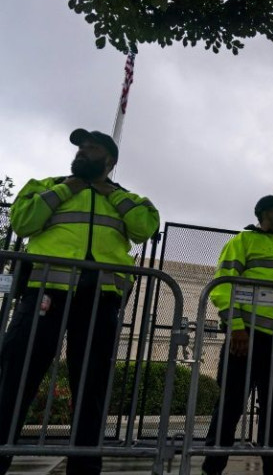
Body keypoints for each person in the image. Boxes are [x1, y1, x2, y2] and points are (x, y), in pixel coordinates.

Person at [0, 128, 159, 475]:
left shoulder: (127, 199)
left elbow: (144, 229)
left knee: (92, 385)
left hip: (100, 299)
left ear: (109, 160)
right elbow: (24, 222)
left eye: (92, 148)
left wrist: (111, 194)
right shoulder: (45, 185)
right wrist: (65, 189)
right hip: (45, 292)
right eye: (81, 148)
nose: (83, 152)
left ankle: (85, 468)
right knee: (15, 377)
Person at [202, 195, 273, 475]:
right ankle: (211, 469)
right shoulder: (242, 241)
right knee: (230, 406)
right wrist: (236, 326)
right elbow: (223, 285)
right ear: (268, 213)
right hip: (247, 339)